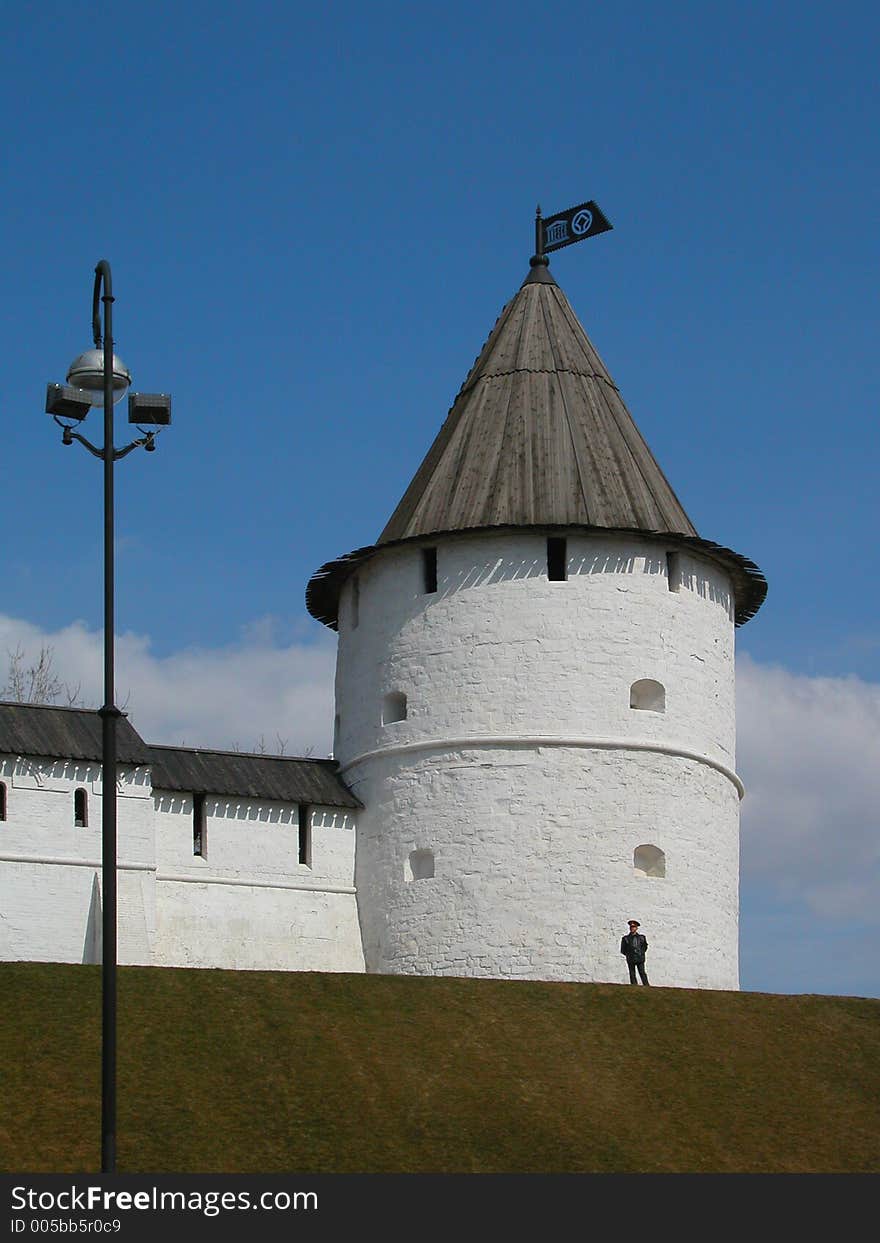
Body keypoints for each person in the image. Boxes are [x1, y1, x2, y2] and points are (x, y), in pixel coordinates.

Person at [620, 919, 649, 985]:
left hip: (640, 958)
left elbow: (645, 947)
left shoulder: (642, 937)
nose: (632, 928)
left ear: (636, 928)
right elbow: (623, 949)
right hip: (630, 958)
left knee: (642, 972)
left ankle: (646, 985)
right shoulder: (625, 938)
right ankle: (634, 985)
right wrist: (629, 954)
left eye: (634, 927)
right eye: (631, 927)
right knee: (632, 973)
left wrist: (641, 953)